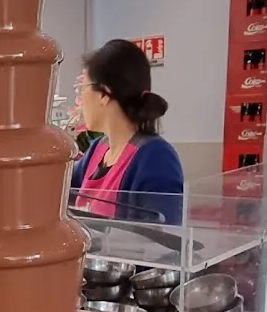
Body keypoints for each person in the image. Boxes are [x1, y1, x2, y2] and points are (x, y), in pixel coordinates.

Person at [71, 39, 184, 225]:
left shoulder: (156, 158)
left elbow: (160, 242)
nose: (81, 98)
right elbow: (59, 193)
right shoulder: (97, 150)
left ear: (103, 94)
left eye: (82, 88)